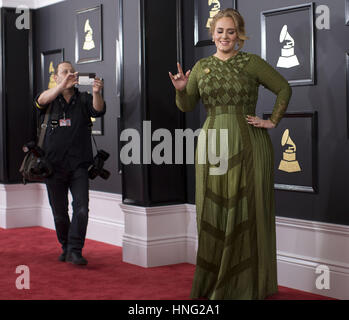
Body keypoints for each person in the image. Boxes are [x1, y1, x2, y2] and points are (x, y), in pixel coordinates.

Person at [169, 9, 292, 299]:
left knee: (246, 208)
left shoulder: (252, 63)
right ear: (212, 33)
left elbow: (283, 88)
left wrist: (272, 120)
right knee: (212, 209)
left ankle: (246, 285)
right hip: (212, 143)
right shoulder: (200, 67)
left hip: (248, 142)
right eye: (220, 31)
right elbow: (187, 106)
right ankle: (214, 282)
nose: (225, 37)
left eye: (231, 31)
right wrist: (181, 90)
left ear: (240, 35)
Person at [35, 61, 106, 265]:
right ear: (56, 77)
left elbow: (98, 110)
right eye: (63, 72)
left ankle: (76, 250)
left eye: (71, 72)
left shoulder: (83, 99)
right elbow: (40, 100)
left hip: (79, 165)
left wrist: (96, 92)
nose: (68, 74)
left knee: (82, 209)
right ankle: (65, 246)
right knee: (59, 213)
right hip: (52, 166)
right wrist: (59, 87)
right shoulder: (50, 99)